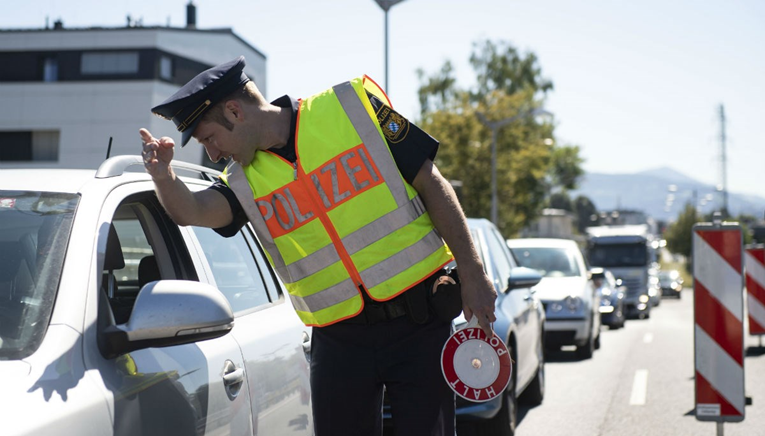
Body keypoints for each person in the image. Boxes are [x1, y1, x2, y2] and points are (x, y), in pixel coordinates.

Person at [140, 56, 496, 436]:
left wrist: (472, 271)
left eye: (210, 138)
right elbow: (192, 210)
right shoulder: (242, 181)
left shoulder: (350, 108)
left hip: (419, 324)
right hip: (339, 342)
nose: (213, 154)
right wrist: (164, 177)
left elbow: (431, 182)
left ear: (234, 111)